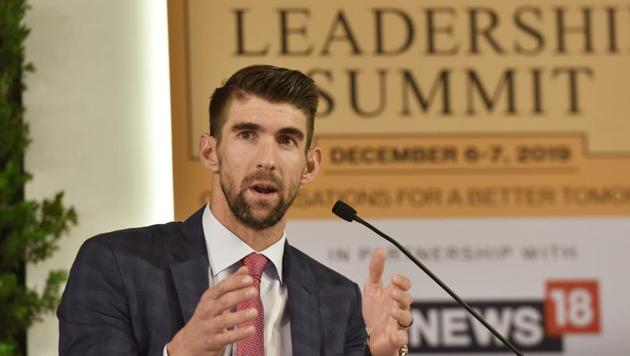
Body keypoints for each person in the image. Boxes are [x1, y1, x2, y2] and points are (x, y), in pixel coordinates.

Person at [58, 65, 413, 355]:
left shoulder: (337, 298)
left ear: (309, 166)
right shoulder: (115, 265)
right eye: (247, 134)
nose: (267, 160)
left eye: (286, 140)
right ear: (210, 152)